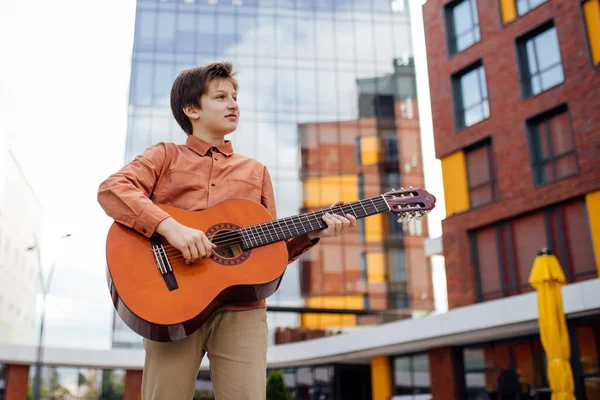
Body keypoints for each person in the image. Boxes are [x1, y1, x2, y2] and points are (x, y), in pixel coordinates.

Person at [97, 61, 357, 399]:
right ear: (191, 109)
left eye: (235, 96)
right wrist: (171, 228)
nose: (234, 103)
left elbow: (269, 252)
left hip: (242, 312)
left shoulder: (256, 171)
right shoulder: (164, 156)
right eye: (221, 97)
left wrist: (313, 232)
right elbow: (113, 189)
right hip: (170, 303)